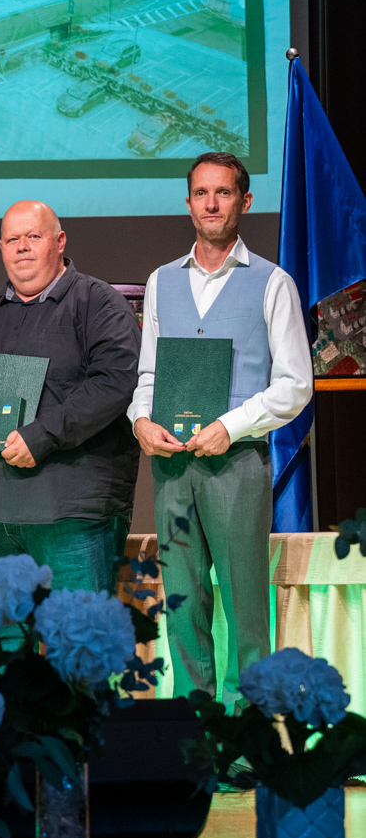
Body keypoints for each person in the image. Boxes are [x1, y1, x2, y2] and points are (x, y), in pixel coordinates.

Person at [128, 153, 311, 704]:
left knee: (245, 608)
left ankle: (248, 729)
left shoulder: (273, 282)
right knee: (182, 608)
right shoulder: (161, 281)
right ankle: (193, 726)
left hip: (237, 466)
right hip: (173, 468)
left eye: (223, 192)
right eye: (201, 193)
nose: (211, 203)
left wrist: (230, 426)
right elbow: (148, 374)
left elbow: (295, 385)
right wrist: (140, 420)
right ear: (188, 204)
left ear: (244, 201)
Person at [0, 200, 140, 602]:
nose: (21, 246)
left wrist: (43, 435)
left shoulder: (100, 303)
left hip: (67, 516)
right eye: (12, 240)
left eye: (33, 237)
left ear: (60, 242)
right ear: (1, 248)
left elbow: (115, 381)